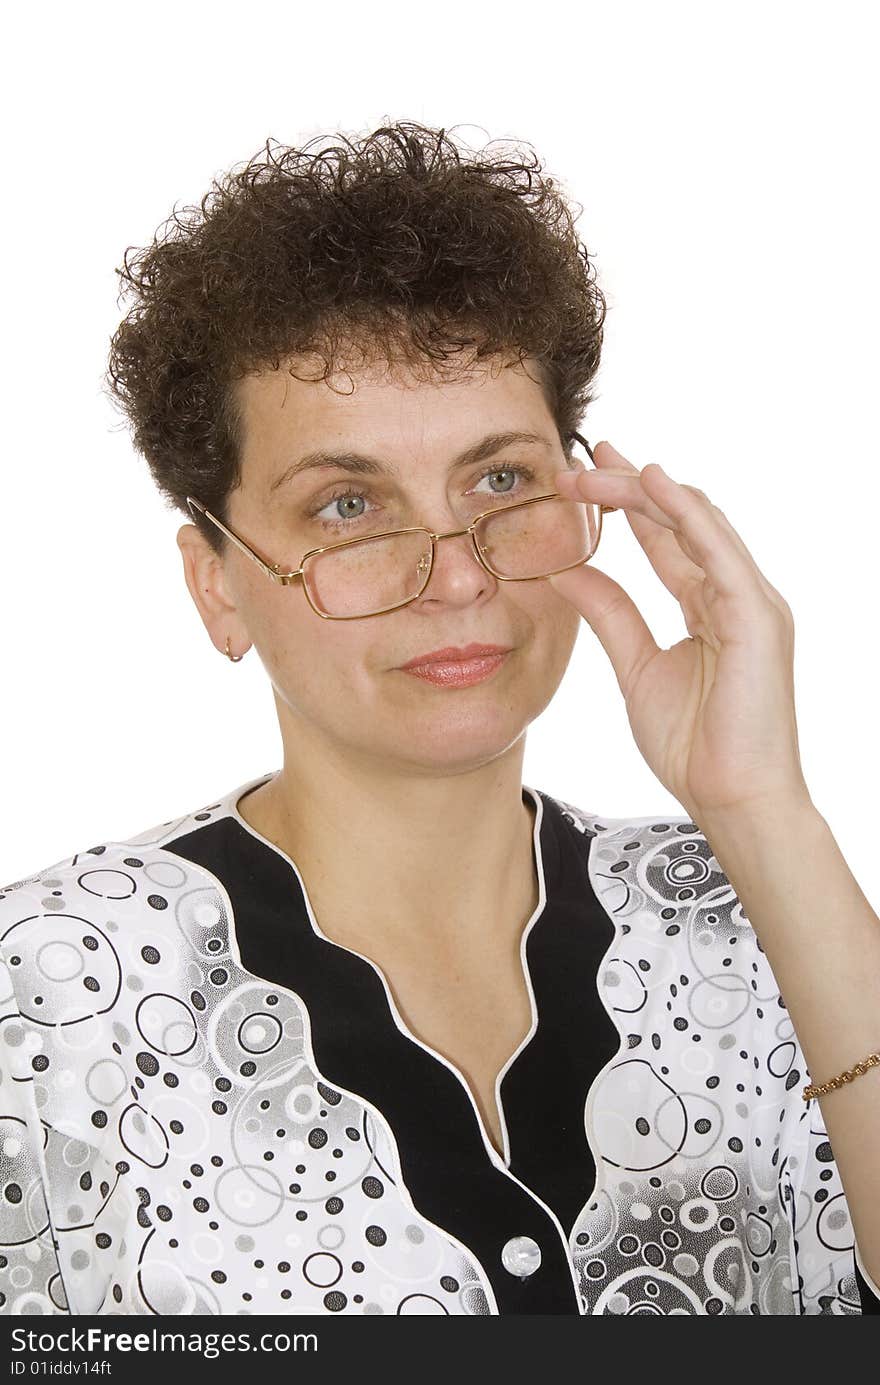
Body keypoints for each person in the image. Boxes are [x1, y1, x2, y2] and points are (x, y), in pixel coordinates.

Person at [1, 122, 877, 1318]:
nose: (457, 574)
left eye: (501, 481)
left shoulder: (752, 914)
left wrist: (762, 808)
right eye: (348, 503)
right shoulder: (48, 989)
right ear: (218, 582)